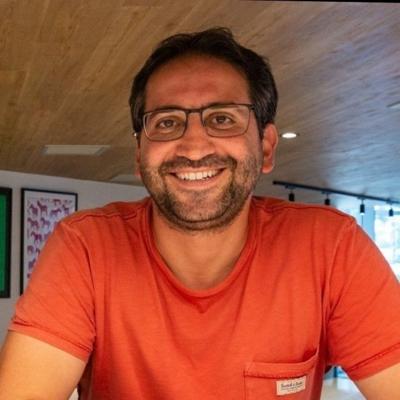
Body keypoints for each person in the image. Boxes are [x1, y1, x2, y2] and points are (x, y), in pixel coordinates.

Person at [0, 27, 399, 400]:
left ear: (265, 147)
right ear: (139, 156)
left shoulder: (331, 248)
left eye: (222, 119)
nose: (193, 147)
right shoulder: (85, 248)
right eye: (167, 122)